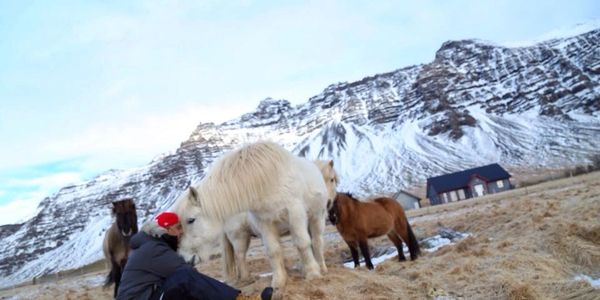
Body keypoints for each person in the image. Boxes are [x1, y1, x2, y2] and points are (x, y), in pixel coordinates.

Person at [116, 211, 273, 300]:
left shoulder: (149, 246)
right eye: (178, 228)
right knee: (185, 279)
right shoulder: (153, 249)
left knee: (184, 285)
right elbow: (188, 274)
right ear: (167, 230)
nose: (181, 232)